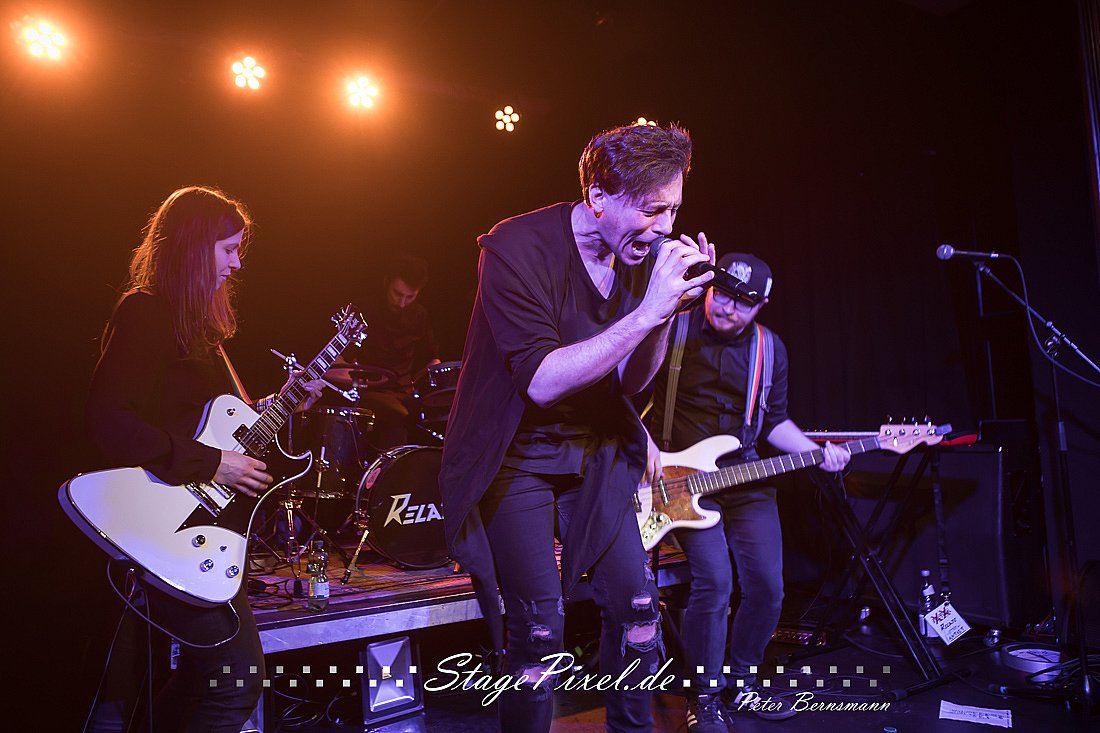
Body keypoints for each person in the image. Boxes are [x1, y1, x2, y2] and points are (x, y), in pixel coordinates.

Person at [439, 122, 715, 733]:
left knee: (639, 613)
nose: (665, 227)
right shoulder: (514, 249)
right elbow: (541, 380)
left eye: (673, 209)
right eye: (651, 210)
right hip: (515, 456)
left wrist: (666, 313)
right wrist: (648, 309)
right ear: (598, 198)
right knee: (539, 636)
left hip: (596, 449)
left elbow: (633, 381)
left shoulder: (639, 254)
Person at [84, 185, 322, 732]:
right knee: (234, 682)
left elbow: (203, 422)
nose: (237, 264)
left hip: (202, 532)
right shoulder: (146, 312)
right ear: (193, 248)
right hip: (162, 528)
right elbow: (109, 421)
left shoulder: (201, 331)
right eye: (228, 249)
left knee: (204, 680)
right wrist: (211, 464)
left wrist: (275, 405)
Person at [643, 253, 851, 731]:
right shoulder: (673, 329)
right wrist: (646, 454)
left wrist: (819, 453)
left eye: (743, 302)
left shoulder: (770, 349)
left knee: (768, 588)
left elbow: (774, 422)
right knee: (715, 582)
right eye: (723, 294)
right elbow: (629, 397)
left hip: (746, 479)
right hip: (680, 480)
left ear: (761, 306)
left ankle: (743, 682)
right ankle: (704, 696)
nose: (727, 307)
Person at [342, 254, 441, 449]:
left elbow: (431, 358)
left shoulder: (420, 315)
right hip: (368, 391)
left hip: (405, 393)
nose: (402, 303)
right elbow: (338, 361)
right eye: (397, 294)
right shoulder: (364, 310)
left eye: (410, 297)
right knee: (394, 417)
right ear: (387, 282)